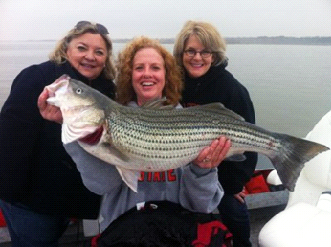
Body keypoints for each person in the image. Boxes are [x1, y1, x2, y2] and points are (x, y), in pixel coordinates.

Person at [41, 36, 232, 246]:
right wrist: (73, 133)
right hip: (121, 234)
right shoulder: (108, 121)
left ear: (167, 75)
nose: (147, 74)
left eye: (155, 67)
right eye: (139, 67)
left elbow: (202, 206)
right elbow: (102, 185)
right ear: (129, 76)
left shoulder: (190, 126)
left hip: (177, 234)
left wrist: (203, 170)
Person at [0, 21, 116, 246]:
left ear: (105, 59)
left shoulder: (104, 91)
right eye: (82, 48)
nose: (90, 56)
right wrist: (14, 196)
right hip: (30, 202)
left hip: (68, 200)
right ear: (66, 49)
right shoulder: (37, 79)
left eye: (99, 52)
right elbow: (8, 141)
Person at [173, 20, 258, 247]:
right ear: (181, 53)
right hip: (183, 169)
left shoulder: (233, 90)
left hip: (224, 174)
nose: (197, 58)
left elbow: (250, 139)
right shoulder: (173, 84)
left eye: (205, 52)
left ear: (215, 55)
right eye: (190, 51)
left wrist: (235, 184)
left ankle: (243, 243)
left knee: (234, 212)